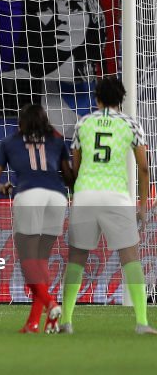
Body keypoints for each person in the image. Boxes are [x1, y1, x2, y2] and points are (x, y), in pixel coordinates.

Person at [59, 76, 156, 335]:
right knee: (131, 259)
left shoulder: (83, 124)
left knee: (77, 260)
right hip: (116, 197)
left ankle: (66, 321)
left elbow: (76, 168)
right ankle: (142, 323)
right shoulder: (131, 125)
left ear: (97, 98)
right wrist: (143, 205)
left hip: (86, 195)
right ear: (121, 99)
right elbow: (144, 168)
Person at [0, 104, 73, 334]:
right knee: (41, 260)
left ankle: (50, 302)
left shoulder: (9, 142)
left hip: (28, 195)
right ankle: (34, 323)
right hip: (57, 198)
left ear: (21, 123)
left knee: (28, 262)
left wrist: (4, 188)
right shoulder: (57, 141)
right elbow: (70, 176)